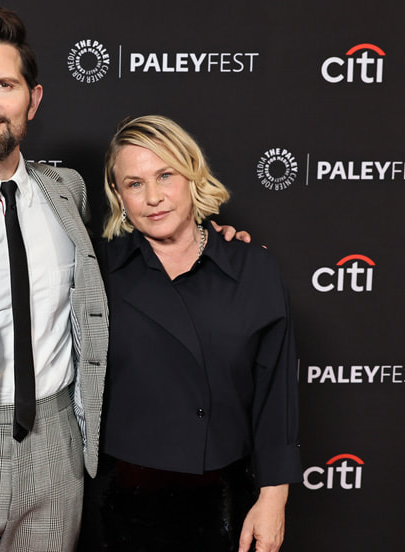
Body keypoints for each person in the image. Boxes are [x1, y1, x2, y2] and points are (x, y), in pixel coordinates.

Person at [0, 5, 244, 552]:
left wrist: (216, 240)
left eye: (4, 85)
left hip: (57, 456)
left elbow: (148, 242)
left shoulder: (67, 191)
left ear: (32, 99)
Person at [79, 115, 301, 552]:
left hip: (224, 502)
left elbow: (277, 396)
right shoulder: (95, 268)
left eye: (165, 176)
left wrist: (273, 498)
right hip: (117, 503)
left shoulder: (252, 268)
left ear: (192, 175)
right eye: (135, 183)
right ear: (118, 196)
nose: (154, 197)